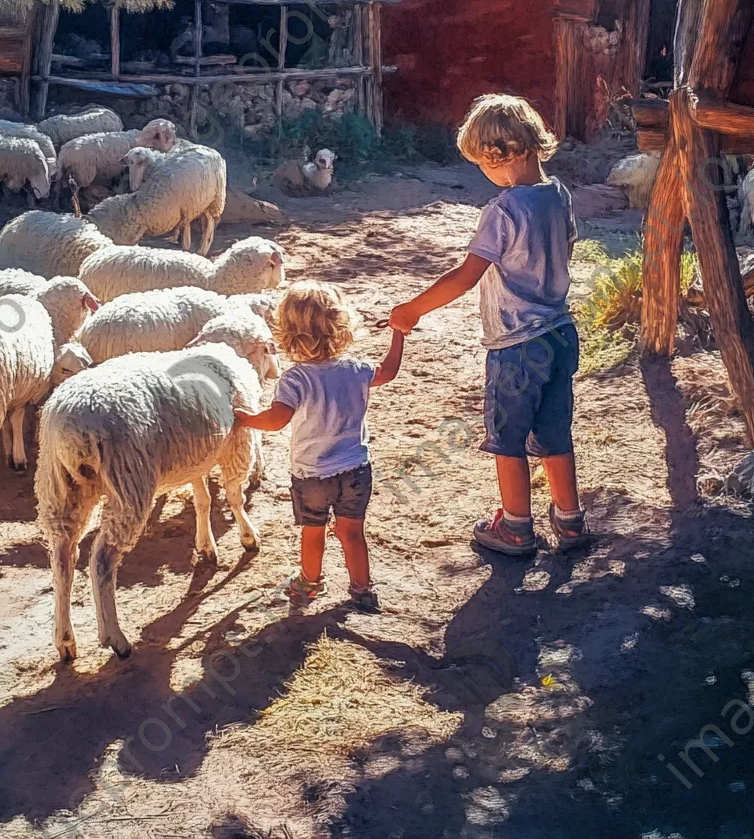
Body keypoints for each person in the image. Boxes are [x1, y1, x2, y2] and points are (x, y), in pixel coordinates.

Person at [388, 94, 589, 556]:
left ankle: (516, 527)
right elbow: (564, 253)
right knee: (555, 433)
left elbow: (465, 275)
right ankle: (570, 521)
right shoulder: (559, 196)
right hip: (560, 334)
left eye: (481, 162)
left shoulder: (503, 210)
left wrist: (412, 310)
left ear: (497, 156)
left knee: (508, 439)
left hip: (517, 346)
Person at [235, 280, 404, 611]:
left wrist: (245, 418)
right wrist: (398, 334)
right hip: (356, 469)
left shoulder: (296, 378)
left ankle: (309, 585)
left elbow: (277, 419)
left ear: (288, 331)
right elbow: (389, 372)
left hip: (313, 475)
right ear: (339, 324)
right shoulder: (356, 369)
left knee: (314, 532)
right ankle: (362, 591)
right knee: (352, 533)